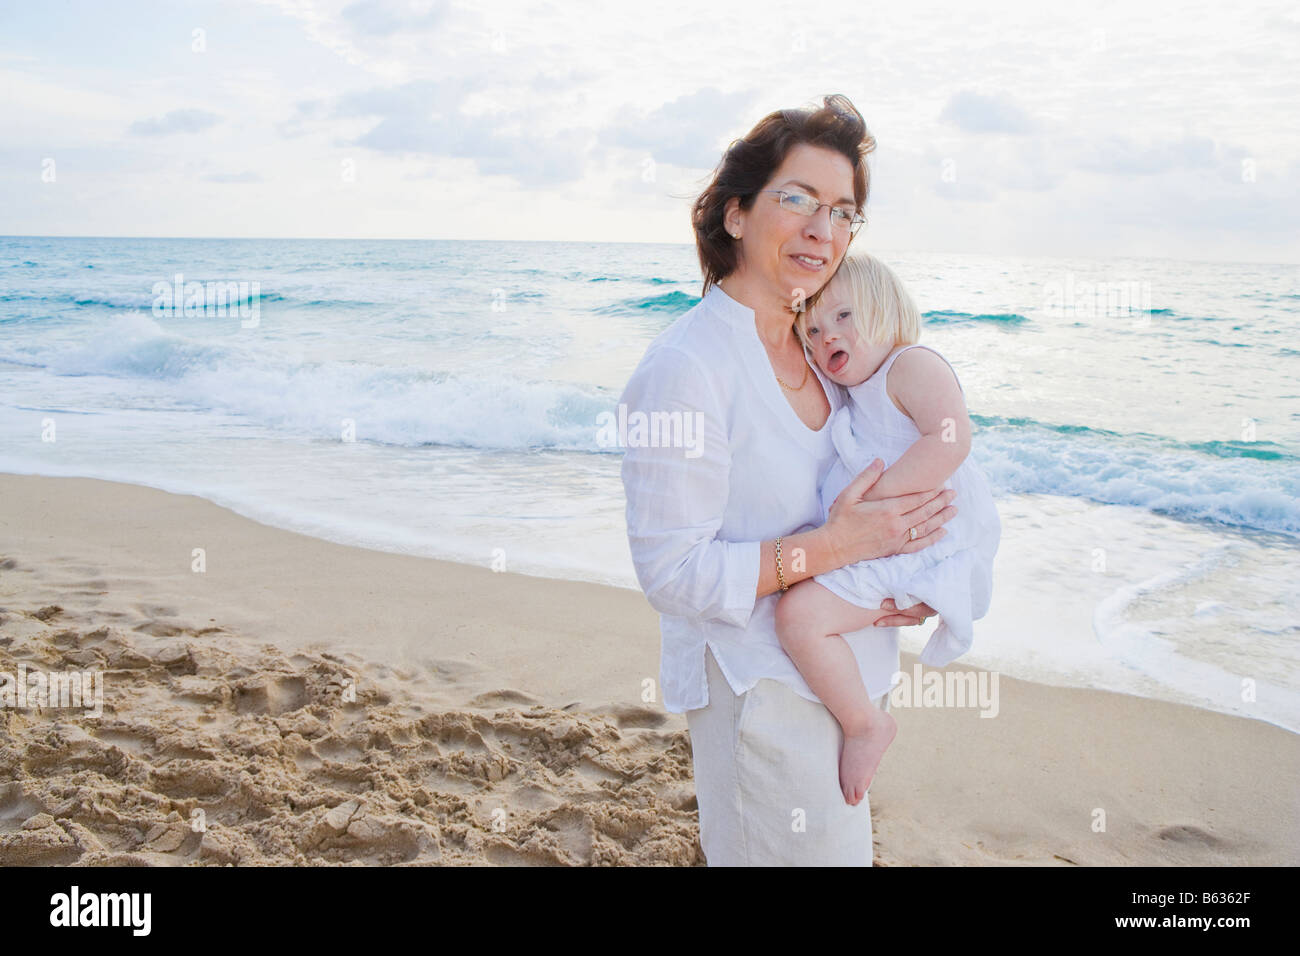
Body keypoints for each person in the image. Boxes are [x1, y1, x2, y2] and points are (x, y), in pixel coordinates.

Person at [618, 94, 957, 866]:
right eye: (797, 198)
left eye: (842, 211)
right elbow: (674, 573)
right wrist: (835, 548)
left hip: (846, 687)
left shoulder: (828, 352)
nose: (821, 229)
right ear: (735, 214)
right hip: (762, 697)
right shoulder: (686, 369)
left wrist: (912, 575)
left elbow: (894, 479)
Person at [774, 252, 1002, 807]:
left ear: (888, 310)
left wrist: (871, 504)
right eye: (813, 331)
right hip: (888, 536)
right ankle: (863, 717)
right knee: (800, 613)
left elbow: (950, 439)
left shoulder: (911, 365)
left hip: (923, 534)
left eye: (844, 316)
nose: (827, 336)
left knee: (799, 618)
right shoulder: (857, 392)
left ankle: (864, 724)